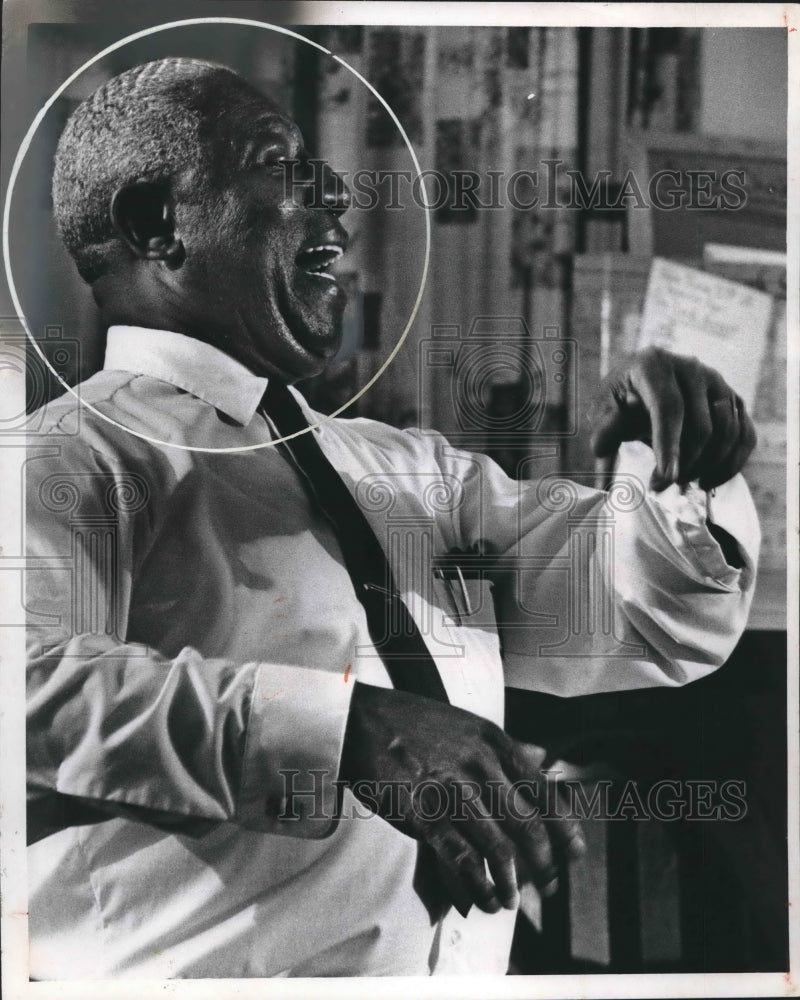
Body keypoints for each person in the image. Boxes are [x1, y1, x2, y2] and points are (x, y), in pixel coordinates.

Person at [26, 57, 759, 979]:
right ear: (155, 223)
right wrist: (345, 733)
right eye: (274, 162)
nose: (335, 190)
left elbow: (656, 614)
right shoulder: (60, 461)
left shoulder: (410, 471)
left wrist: (678, 461)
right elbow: (33, 691)